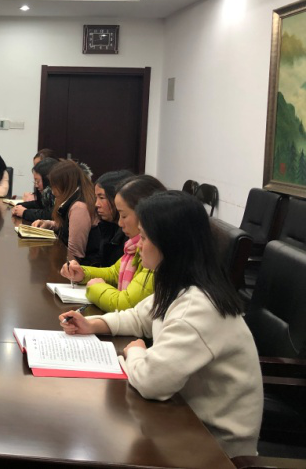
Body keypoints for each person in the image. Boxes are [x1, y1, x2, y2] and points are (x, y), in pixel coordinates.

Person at [58, 191, 262, 458]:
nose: (138, 246)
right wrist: (93, 324)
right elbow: (139, 316)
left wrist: (135, 352)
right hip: (184, 417)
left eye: (144, 238)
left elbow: (151, 382)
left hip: (216, 447)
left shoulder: (198, 306)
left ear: (169, 244)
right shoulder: (177, 283)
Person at [59, 174, 166, 311]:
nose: (120, 223)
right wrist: (83, 273)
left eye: (124, 216)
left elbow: (124, 304)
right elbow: (114, 272)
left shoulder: (155, 253)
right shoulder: (134, 246)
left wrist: (96, 287)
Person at [32, 160, 101, 264]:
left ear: (64, 185)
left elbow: (75, 253)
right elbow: (68, 226)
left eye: (54, 186)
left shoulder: (79, 207)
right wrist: (49, 224)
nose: (52, 191)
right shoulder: (74, 198)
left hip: (82, 267)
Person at [93, 170, 135, 266]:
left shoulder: (130, 234)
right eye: (96, 198)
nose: (96, 204)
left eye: (102, 197)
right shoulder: (106, 227)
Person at [11, 157, 58, 222]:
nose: (36, 185)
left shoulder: (55, 194)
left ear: (47, 180)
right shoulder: (45, 194)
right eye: (35, 181)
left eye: (38, 181)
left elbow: (50, 215)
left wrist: (24, 212)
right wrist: (19, 206)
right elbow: (38, 204)